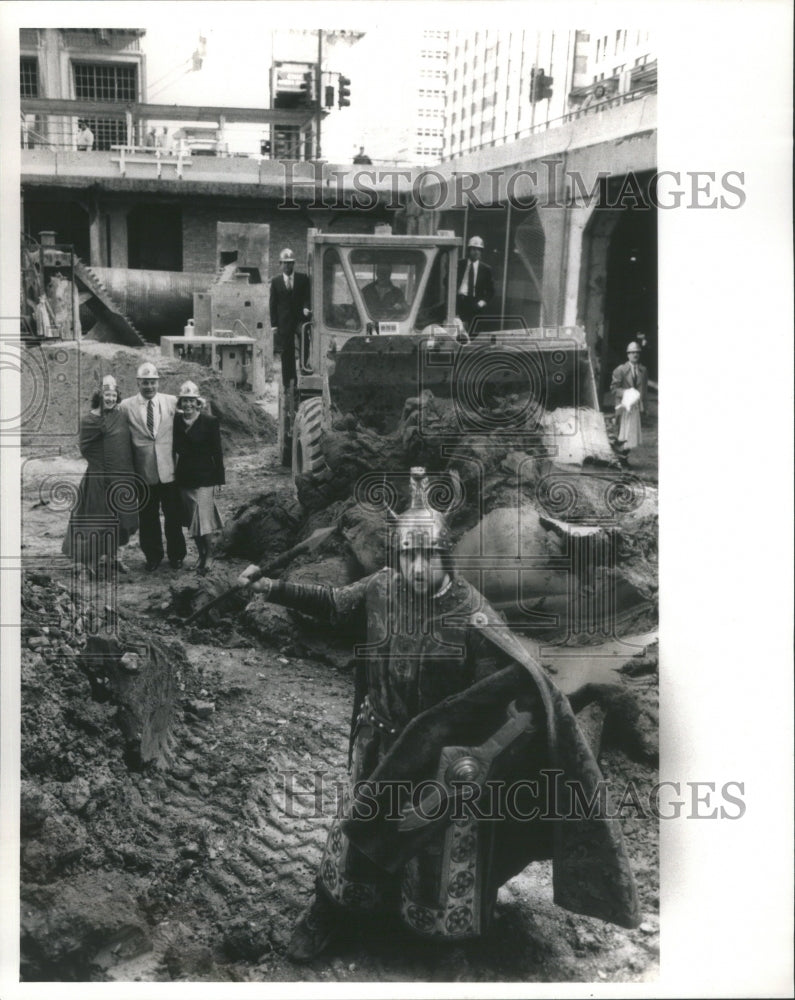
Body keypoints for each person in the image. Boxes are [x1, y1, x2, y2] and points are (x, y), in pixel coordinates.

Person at [237, 467, 640, 962]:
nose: (418, 566)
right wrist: (271, 588)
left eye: (428, 554)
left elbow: (507, 693)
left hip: (439, 760)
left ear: (444, 553)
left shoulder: (471, 612)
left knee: (440, 852)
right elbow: (333, 604)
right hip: (380, 743)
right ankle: (332, 912)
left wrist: (481, 752)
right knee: (356, 838)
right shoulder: (382, 588)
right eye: (408, 554)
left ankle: (448, 941)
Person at [62, 375, 138, 576]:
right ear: (100, 396)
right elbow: (86, 448)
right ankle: (90, 563)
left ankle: (115, 558)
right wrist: (102, 466)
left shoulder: (121, 415)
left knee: (122, 519)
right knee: (97, 520)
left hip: (122, 476)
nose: (111, 399)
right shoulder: (89, 420)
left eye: (114, 395)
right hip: (99, 478)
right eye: (107, 395)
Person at [119, 362, 187, 571]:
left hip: (169, 471)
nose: (149, 386)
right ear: (138, 383)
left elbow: (193, 414)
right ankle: (153, 556)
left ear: (158, 383)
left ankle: (176, 555)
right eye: (145, 383)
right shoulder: (126, 406)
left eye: (152, 382)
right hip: (143, 472)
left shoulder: (172, 402)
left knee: (173, 516)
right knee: (148, 518)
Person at [173, 381, 225, 575]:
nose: (188, 405)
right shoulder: (176, 422)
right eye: (184, 401)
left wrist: (219, 479)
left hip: (205, 478)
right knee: (191, 521)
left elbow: (217, 451)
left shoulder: (210, 422)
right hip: (185, 478)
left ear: (197, 402)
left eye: (191, 401)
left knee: (204, 520)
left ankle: (210, 556)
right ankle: (201, 554)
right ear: (180, 403)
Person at [269, 248, 311, 388]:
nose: (288, 266)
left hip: (300, 320)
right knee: (287, 352)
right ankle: (289, 384)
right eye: (285, 263)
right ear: (280, 264)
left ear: (294, 264)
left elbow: (307, 296)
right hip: (284, 323)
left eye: (290, 263)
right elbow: (273, 304)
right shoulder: (275, 282)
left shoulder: (302, 278)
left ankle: (304, 371)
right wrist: (274, 325)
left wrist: (306, 307)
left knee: (304, 344)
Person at [610, 340, 649, 465]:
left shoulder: (643, 370)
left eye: (637, 352)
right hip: (624, 406)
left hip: (636, 407)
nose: (635, 355)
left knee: (632, 434)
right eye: (632, 352)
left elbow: (645, 391)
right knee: (623, 433)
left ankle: (623, 458)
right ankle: (620, 459)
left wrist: (645, 407)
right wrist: (627, 393)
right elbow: (614, 389)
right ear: (628, 354)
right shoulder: (620, 370)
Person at [456, 235, 495, 335]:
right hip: (459, 302)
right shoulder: (458, 264)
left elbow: (491, 291)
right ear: (469, 250)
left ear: (481, 252)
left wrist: (482, 303)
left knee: (473, 333)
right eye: (473, 249)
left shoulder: (486, 269)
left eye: (479, 249)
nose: (476, 252)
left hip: (475, 304)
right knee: (457, 332)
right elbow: (447, 281)